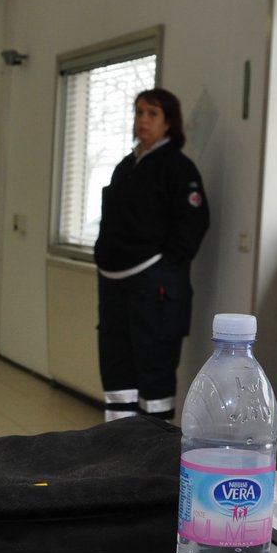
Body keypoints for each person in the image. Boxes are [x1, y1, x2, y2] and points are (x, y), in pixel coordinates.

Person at [93, 87, 210, 421]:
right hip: (112, 282)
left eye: (152, 114)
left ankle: (153, 453)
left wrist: (162, 267)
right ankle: (117, 445)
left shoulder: (179, 168)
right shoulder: (124, 167)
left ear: (168, 122)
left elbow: (194, 224)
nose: (143, 120)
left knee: (153, 368)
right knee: (116, 368)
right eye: (139, 112)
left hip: (154, 285)